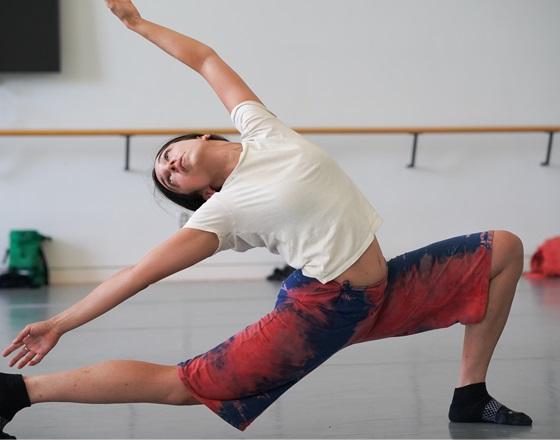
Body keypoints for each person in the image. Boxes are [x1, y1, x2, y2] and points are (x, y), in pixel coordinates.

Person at [0, 0, 532, 436]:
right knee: (183, 385)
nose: (169, 165)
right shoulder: (221, 213)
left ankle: (470, 394)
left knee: (503, 248)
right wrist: (59, 323)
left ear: (202, 138)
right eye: (169, 179)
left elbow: (206, 59)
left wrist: (138, 25)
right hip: (321, 309)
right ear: (202, 193)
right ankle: (17, 393)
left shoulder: (263, 131)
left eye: (168, 154)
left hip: (380, 290)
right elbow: (137, 274)